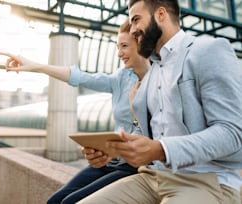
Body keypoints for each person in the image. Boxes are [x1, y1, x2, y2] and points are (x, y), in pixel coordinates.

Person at [77, 0, 242, 203]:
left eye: (136, 20)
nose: (134, 29)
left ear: (161, 14)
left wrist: (161, 149)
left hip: (205, 180)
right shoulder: (151, 72)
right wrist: (113, 151)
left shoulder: (209, 50)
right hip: (152, 177)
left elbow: (233, 133)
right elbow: (149, 134)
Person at [0, 20, 151, 204]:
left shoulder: (158, 81)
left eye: (124, 46)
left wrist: (115, 148)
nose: (119, 53)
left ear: (141, 43)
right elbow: (80, 77)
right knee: (54, 201)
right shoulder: (121, 77)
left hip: (134, 166)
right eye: (118, 46)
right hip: (110, 162)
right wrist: (36, 66)